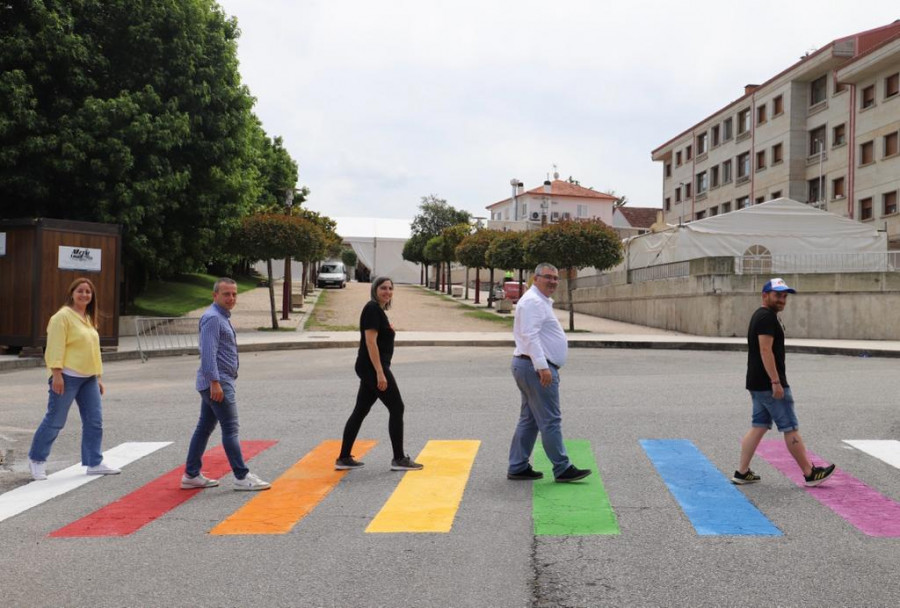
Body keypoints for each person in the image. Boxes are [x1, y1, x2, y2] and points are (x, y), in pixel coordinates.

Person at [732, 278, 836, 487]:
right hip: (769, 383)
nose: (782, 299)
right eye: (777, 295)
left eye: (784, 295)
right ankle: (809, 473)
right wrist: (776, 382)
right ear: (765, 295)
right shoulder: (766, 318)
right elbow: (765, 350)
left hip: (757, 382)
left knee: (759, 426)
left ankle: (742, 472)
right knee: (790, 427)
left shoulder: (763, 316)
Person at [181, 278, 270, 491]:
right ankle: (241, 476)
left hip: (216, 382)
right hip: (217, 382)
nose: (231, 298)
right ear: (215, 296)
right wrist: (215, 382)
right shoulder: (213, 318)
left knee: (204, 427)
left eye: (234, 294)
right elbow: (208, 353)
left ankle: (191, 474)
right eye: (226, 294)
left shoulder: (220, 316)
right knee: (230, 428)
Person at [28, 277, 121, 480]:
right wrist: (56, 374)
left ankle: (94, 462)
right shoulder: (61, 317)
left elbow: (93, 350)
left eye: (88, 292)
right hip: (67, 377)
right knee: (55, 420)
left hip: (88, 378)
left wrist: (97, 377)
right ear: (72, 293)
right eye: (80, 291)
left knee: (94, 421)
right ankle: (37, 460)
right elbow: (55, 346)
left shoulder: (87, 317)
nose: (84, 295)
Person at [507, 263, 591, 483]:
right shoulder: (533, 302)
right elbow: (530, 336)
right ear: (536, 278)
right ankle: (562, 468)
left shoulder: (539, 301)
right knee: (550, 420)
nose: (553, 281)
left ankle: (518, 466)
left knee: (530, 419)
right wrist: (542, 366)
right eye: (548, 277)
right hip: (534, 367)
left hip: (528, 365)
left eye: (556, 278)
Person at [336, 276, 423, 471]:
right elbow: (370, 342)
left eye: (390, 288)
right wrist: (380, 373)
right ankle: (399, 459)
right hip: (372, 367)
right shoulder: (372, 309)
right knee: (397, 407)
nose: (387, 292)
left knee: (360, 411)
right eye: (383, 288)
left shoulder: (378, 310)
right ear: (375, 289)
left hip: (370, 367)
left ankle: (343, 458)